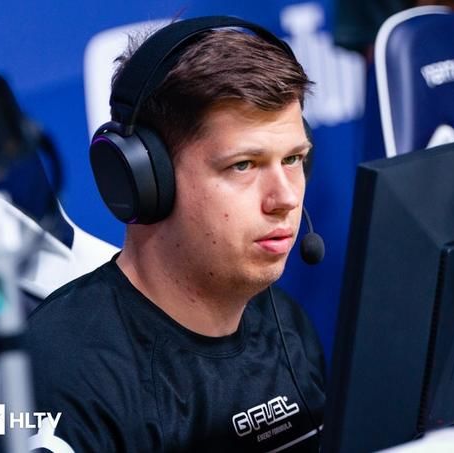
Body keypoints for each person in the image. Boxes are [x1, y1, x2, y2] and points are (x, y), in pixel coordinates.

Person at [25, 17, 326, 452]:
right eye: (243, 165)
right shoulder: (52, 376)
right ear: (144, 180)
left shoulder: (288, 325)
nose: (285, 198)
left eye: (293, 159)